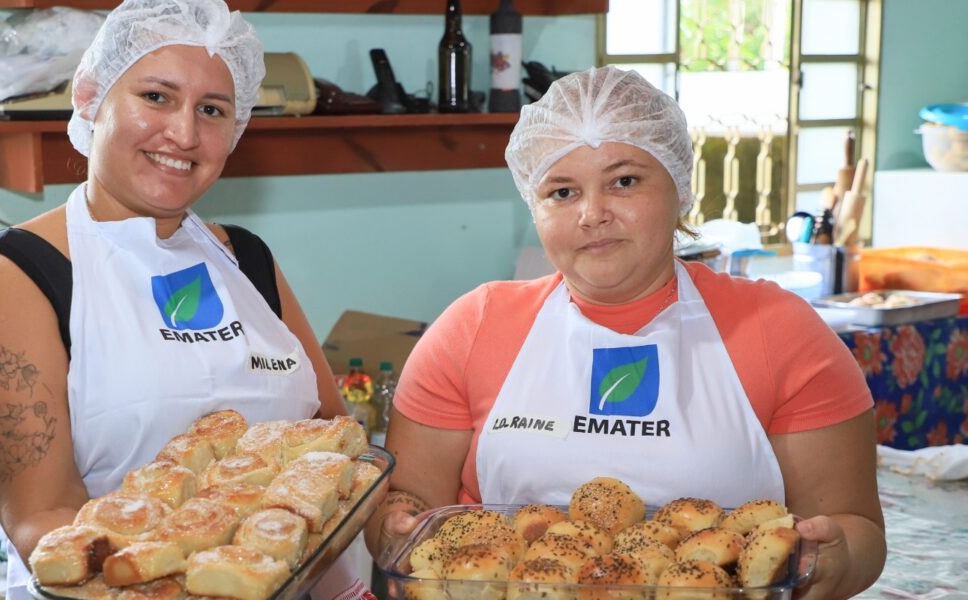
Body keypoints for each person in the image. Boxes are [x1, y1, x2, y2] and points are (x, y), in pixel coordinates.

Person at [365, 66, 885, 599]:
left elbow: (857, 529)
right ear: (534, 206)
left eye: (625, 181)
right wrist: (393, 527)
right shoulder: (470, 328)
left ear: (678, 188)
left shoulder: (783, 331)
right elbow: (407, 511)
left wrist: (833, 561)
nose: (593, 214)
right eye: (562, 192)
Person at [0, 1, 361, 597]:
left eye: (211, 110)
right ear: (91, 99)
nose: (184, 134)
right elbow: (41, 520)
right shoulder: (17, 275)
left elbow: (332, 440)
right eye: (157, 97)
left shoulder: (247, 260)